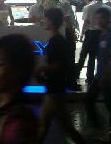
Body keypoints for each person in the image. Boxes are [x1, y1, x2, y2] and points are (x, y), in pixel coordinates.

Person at [36, 8, 85, 144]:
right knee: (61, 125)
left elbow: (58, 65)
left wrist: (42, 69)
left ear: (51, 21)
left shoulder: (56, 41)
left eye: (45, 18)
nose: (43, 21)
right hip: (56, 88)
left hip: (54, 89)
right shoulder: (57, 40)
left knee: (48, 125)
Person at [85, 8, 111, 143]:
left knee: (109, 105)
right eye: (97, 18)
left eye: (101, 18)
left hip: (106, 77)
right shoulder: (101, 35)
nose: (99, 21)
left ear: (107, 19)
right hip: (99, 75)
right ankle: (101, 128)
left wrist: (107, 75)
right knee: (90, 100)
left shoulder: (110, 36)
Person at [61, 0, 79, 90]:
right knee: (70, 57)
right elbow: (67, 20)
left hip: (65, 31)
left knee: (68, 57)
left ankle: (69, 81)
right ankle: (71, 82)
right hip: (68, 32)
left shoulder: (63, 2)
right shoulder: (66, 4)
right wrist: (73, 35)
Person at [76, 0, 97, 87]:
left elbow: (85, 22)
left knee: (83, 55)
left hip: (89, 33)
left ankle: (76, 74)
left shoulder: (87, 8)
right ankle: (90, 77)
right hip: (97, 34)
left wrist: (81, 35)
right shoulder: (98, 7)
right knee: (92, 57)